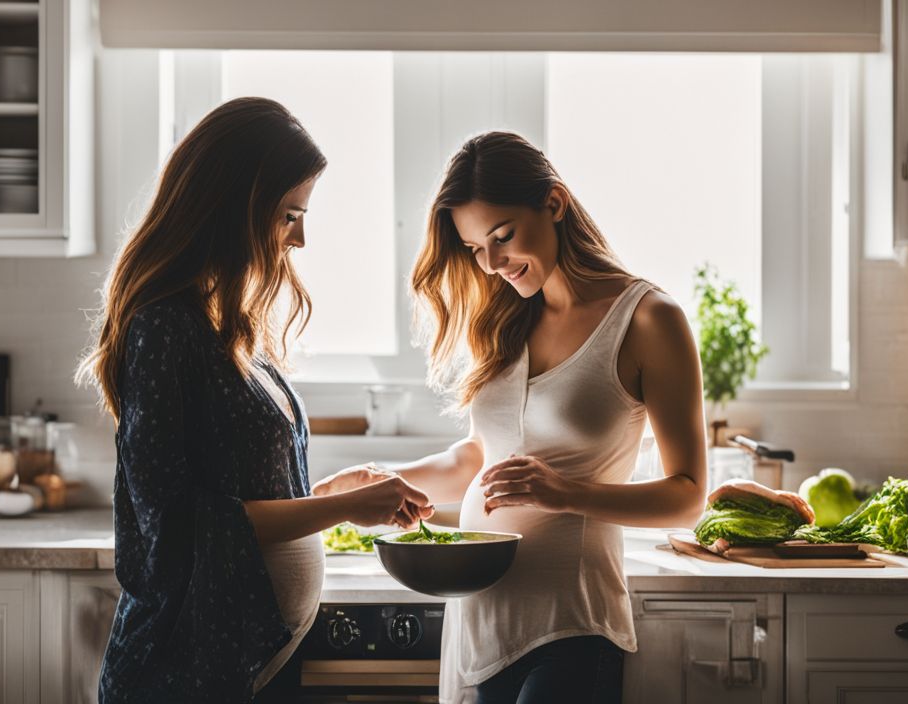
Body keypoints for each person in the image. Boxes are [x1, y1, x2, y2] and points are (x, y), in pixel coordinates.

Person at [319, 131, 709, 703]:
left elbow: (688, 495)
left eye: (502, 237)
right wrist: (384, 477)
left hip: (571, 625)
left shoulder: (649, 320)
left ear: (554, 204)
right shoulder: (505, 321)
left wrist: (566, 492)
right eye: (477, 249)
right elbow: (481, 456)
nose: (494, 264)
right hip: (479, 624)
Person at [79, 97, 432, 703]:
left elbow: (238, 495)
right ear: (234, 207)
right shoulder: (164, 326)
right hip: (184, 672)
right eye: (290, 214)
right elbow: (179, 525)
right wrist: (343, 510)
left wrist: (325, 494)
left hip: (253, 661)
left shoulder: (229, 323)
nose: (301, 237)